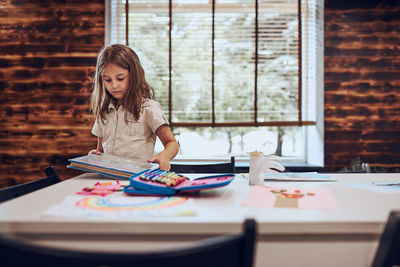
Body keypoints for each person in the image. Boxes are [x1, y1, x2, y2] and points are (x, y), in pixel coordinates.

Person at [88, 44, 179, 171]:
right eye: (107, 80)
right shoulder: (103, 110)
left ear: (134, 75)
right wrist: (95, 156)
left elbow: (172, 144)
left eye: (120, 78)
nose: (114, 85)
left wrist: (163, 156)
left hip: (137, 178)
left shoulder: (148, 108)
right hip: (107, 178)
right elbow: (100, 150)